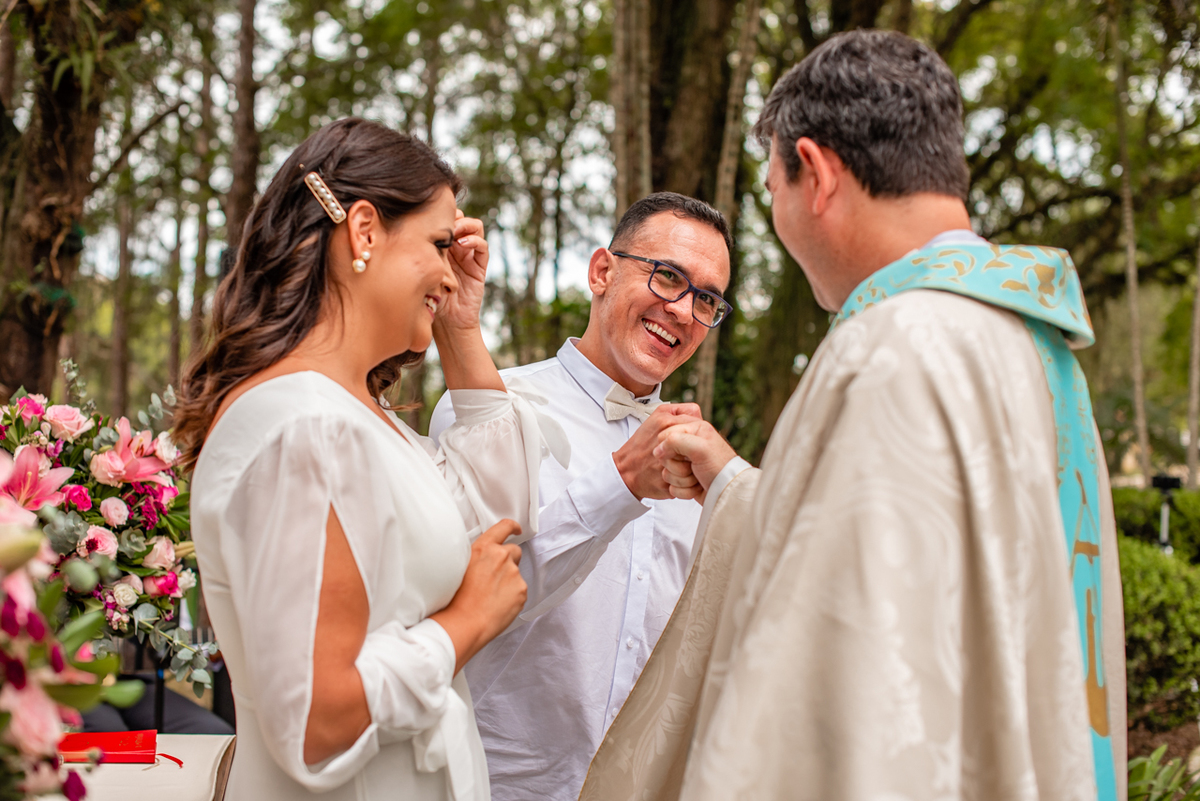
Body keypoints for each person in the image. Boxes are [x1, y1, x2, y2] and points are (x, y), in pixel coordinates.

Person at [582, 30, 1126, 801]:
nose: (775, 212)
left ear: (816, 173)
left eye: (771, 187)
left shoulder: (891, 349)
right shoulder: (1032, 343)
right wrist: (735, 485)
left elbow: (848, 678)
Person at [178, 118, 549, 801]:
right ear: (366, 230)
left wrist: (458, 322)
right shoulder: (302, 425)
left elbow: (501, 521)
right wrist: (461, 626)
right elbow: (317, 723)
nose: (449, 268)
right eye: (439, 243)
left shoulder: (362, 421)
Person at [428, 192, 733, 801]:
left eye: (706, 299)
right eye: (667, 276)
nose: (681, 311)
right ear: (602, 272)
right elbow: (478, 598)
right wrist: (619, 482)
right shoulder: (487, 405)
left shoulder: (702, 458)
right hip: (505, 785)